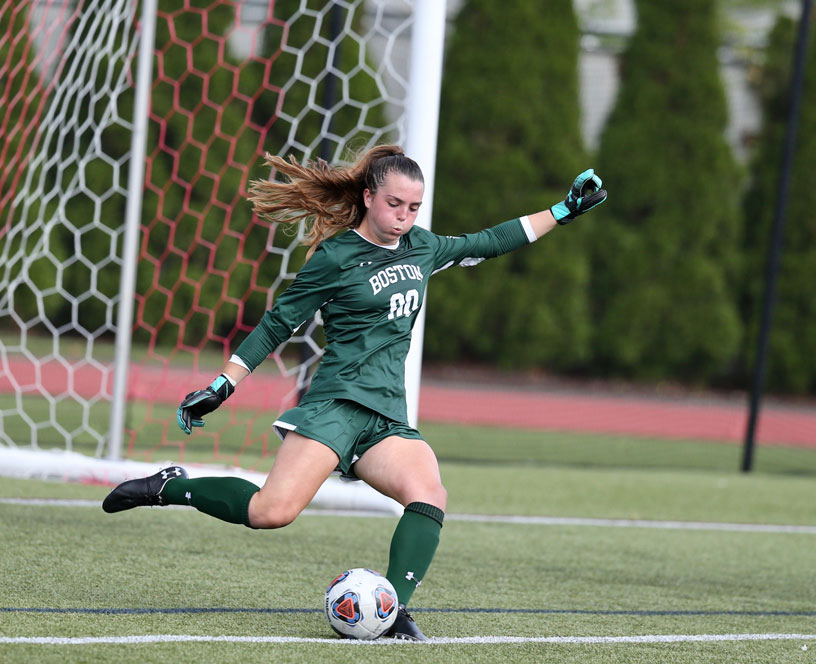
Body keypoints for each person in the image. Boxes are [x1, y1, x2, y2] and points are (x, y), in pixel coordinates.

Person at [101, 144, 607, 640]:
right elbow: (279, 322)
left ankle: (392, 611)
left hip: (386, 416)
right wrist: (223, 383)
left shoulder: (423, 247)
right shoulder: (336, 256)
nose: (404, 216)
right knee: (269, 512)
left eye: (413, 207)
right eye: (394, 204)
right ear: (368, 197)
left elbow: (491, 240)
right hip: (336, 405)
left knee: (429, 493)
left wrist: (564, 210)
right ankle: (171, 485)